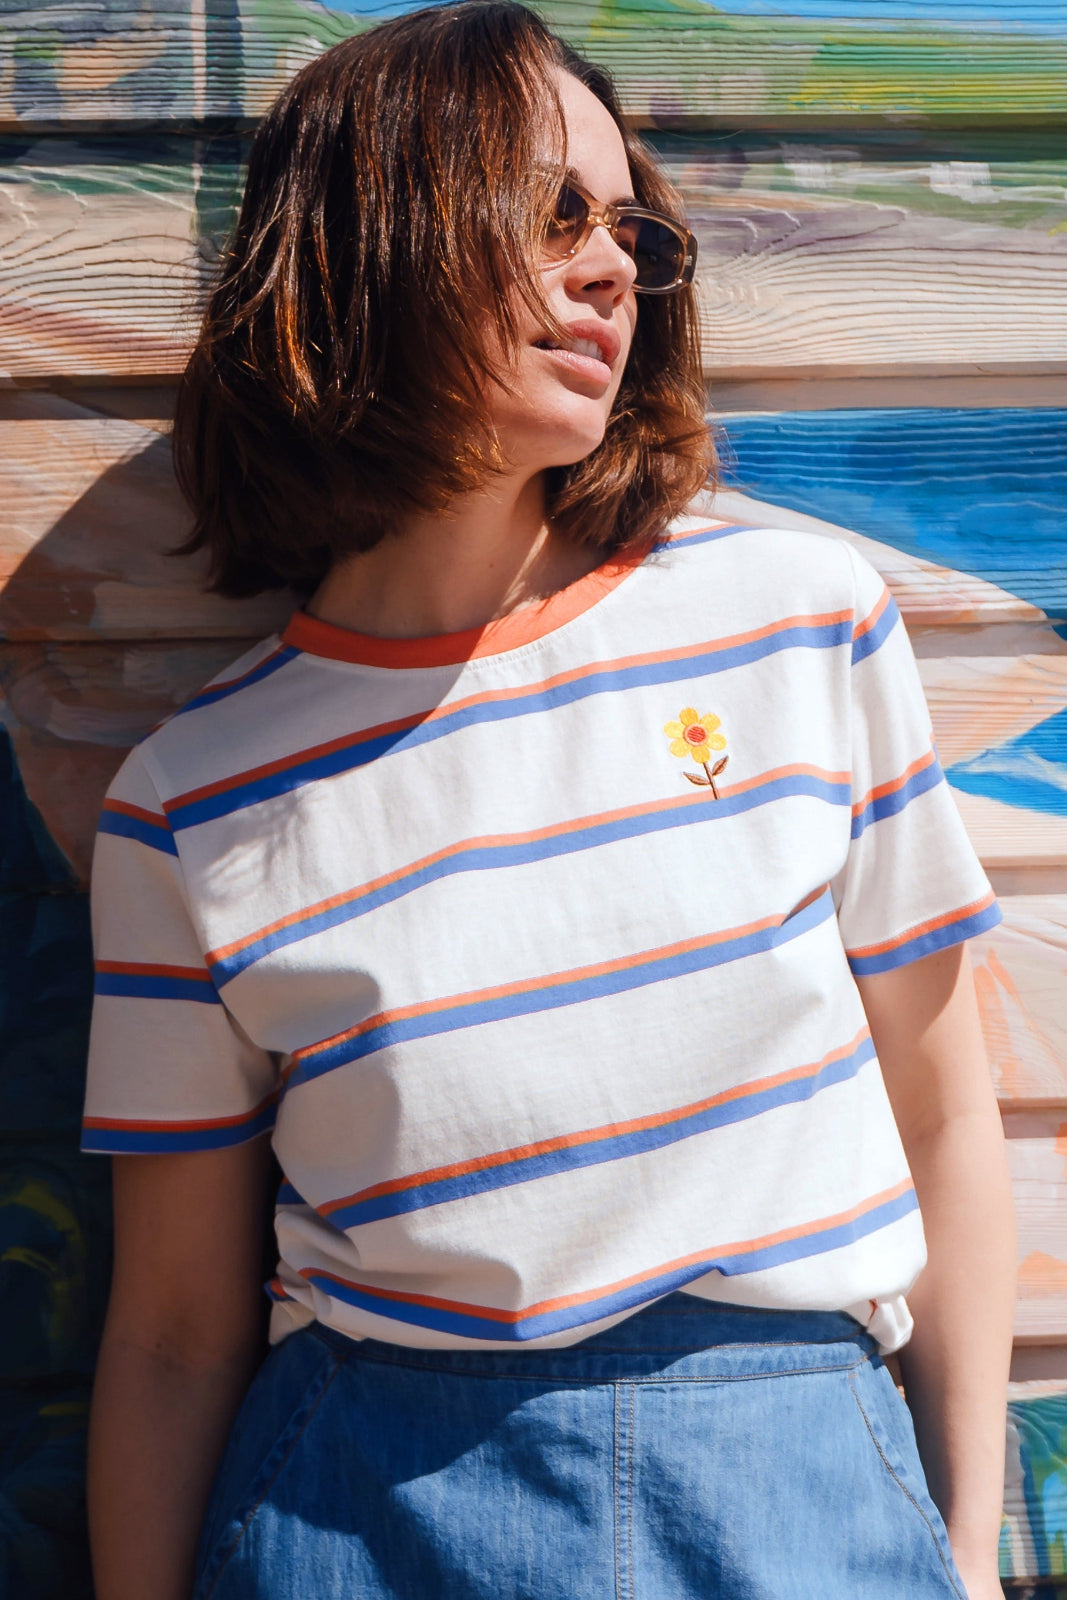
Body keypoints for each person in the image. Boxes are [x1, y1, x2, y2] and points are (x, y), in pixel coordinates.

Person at [82, 5, 1015, 1597]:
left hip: (802, 1496)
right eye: (551, 213)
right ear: (370, 241)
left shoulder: (798, 624)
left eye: (628, 229)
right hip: (371, 1515)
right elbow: (172, 1331)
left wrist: (972, 1551)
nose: (610, 270)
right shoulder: (195, 798)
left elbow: (945, 1116)